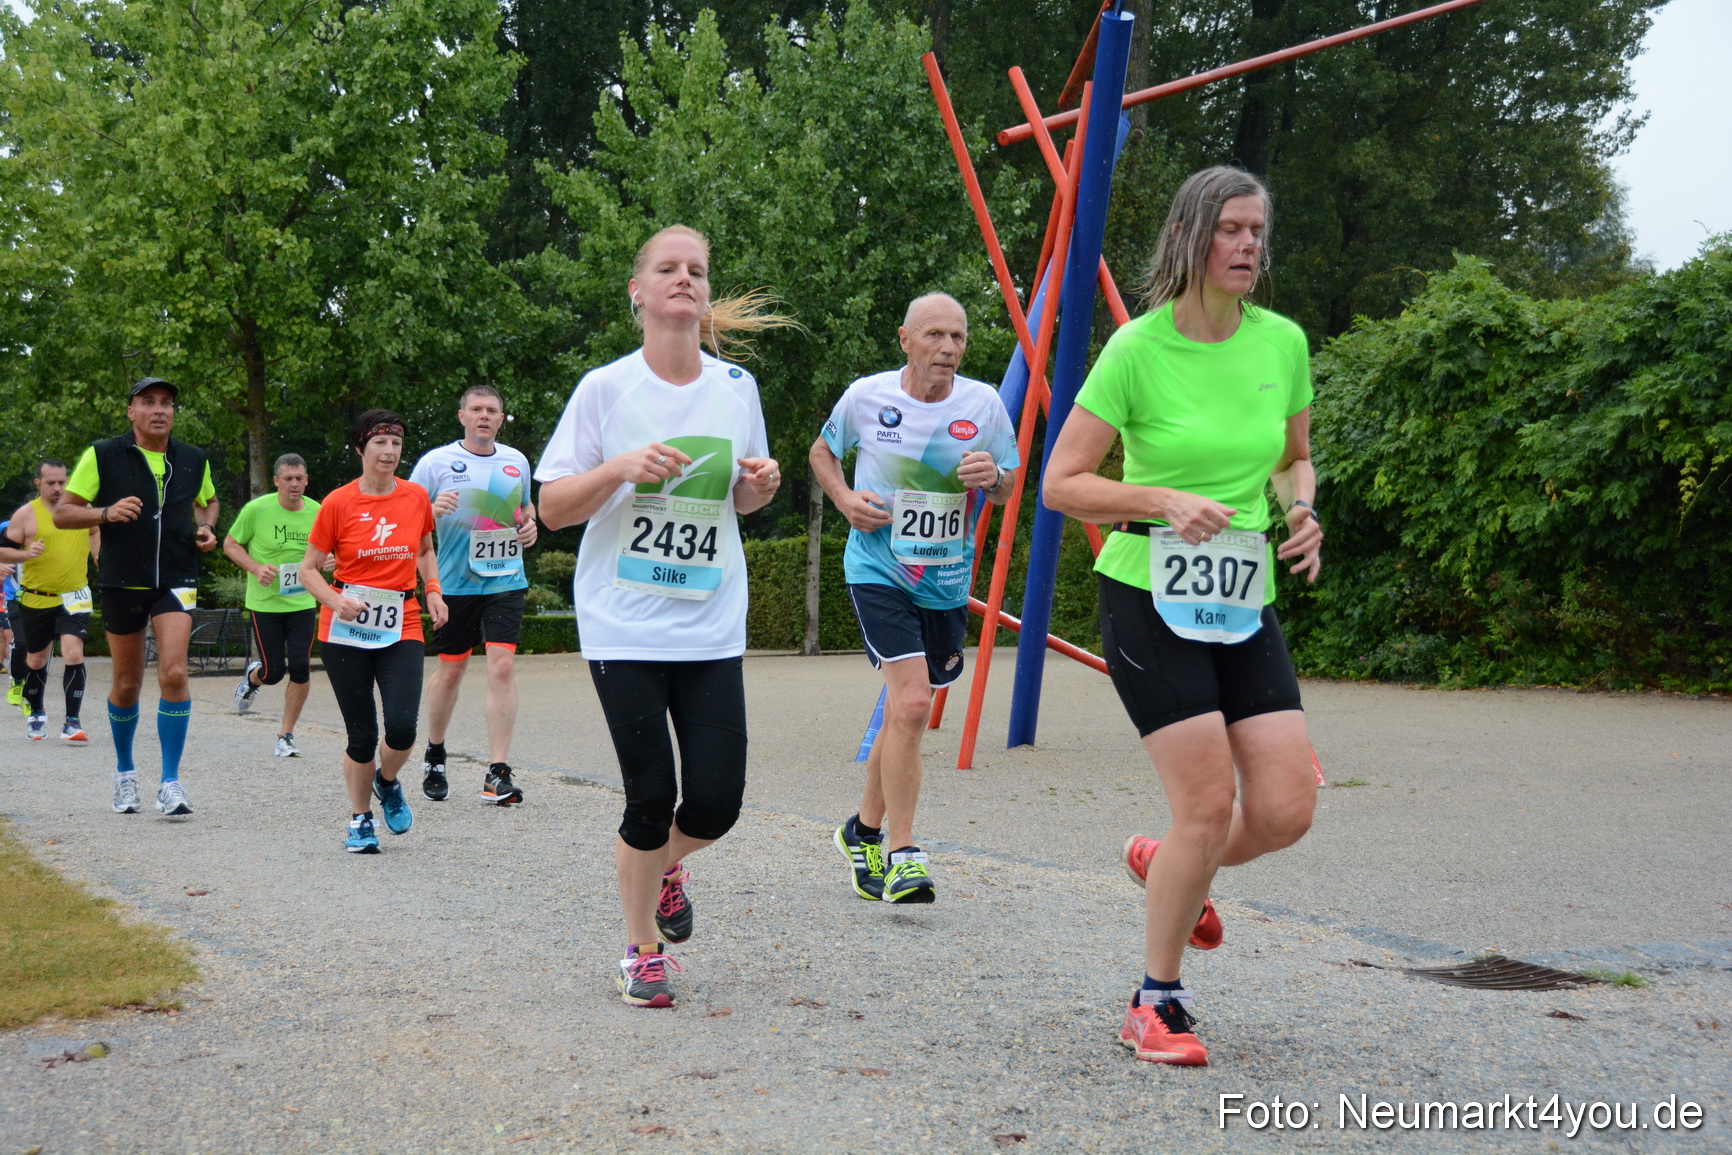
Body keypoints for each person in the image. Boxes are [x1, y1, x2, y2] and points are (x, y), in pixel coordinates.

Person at [1043, 167, 1324, 1067]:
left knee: (1285, 808)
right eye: (1232, 230)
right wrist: (1162, 497)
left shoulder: (1281, 342)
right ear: (1191, 237)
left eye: (1257, 232)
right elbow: (1061, 482)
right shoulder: (1138, 349)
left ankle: (1172, 860)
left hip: (1243, 596)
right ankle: (1154, 1001)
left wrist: (1302, 509)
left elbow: (1291, 458)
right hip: (1147, 590)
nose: (1249, 246)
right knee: (1207, 801)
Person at [535, 224, 787, 1008]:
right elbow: (549, 508)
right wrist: (619, 467)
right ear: (638, 293)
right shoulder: (605, 390)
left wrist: (761, 484)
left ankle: (664, 862)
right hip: (624, 621)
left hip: (709, 621)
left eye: (698, 271)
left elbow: (737, 499)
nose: (686, 279)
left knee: (715, 801)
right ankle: (641, 949)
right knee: (649, 794)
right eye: (669, 269)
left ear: (707, 295)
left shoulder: (736, 388)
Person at [811, 293, 1019, 904]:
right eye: (935, 336)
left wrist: (994, 480)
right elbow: (822, 451)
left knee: (903, 711)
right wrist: (847, 500)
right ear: (905, 339)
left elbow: (1009, 482)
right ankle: (903, 853)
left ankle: (862, 831)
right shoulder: (868, 397)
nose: (948, 349)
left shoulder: (983, 404)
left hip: (945, 582)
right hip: (878, 570)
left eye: (957, 337)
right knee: (911, 705)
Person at [57, 377, 219, 817]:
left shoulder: (193, 458)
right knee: (127, 684)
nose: (159, 410)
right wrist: (105, 513)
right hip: (122, 580)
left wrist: (206, 528)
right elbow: (63, 512)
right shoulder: (104, 454)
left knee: (174, 673)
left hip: (176, 576)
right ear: (131, 411)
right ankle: (125, 774)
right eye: (148, 402)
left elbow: (208, 502)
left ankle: (170, 781)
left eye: (166, 402)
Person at [298, 409, 444, 854]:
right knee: (361, 734)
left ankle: (387, 780)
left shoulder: (416, 497)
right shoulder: (337, 503)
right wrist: (336, 599)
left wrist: (433, 589)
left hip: (402, 619)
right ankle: (360, 819)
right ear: (361, 448)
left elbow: (424, 548)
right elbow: (308, 571)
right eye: (380, 443)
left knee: (401, 728)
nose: (389, 451)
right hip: (345, 627)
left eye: (396, 444)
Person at [409, 385, 538, 805]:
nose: (484, 416)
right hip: (454, 584)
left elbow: (526, 509)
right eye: (476, 409)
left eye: (492, 410)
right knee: (452, 671)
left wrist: (530, 525)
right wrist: (429, 510)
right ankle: (435, 752)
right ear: (461, 415)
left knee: (501, 667)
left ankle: (497, 773)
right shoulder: (436, 462)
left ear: (501, 419)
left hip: (505, 580)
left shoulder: (516, 460)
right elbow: (404, 515)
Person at [224, 453, 327, 757]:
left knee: (300, 666)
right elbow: (230, 544)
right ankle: (253, 678)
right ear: (276, 481)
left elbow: (330, 551)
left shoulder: (317, 512)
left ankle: (286, 735)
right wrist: (256, 568)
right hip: (265, 603)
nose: (294, 485)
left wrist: (330, 561)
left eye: (299, 479)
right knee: (273, 672)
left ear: (306, 480)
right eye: (288, 479)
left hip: (302, 601)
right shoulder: (257, 509)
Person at [0, 460, 100, 741]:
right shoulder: (25, 516)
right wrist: (26, 554)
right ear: (38, 484)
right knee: (36, 659)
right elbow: (3, 553)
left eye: (62, 482)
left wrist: (97, 557)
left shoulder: (82, 510)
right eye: (50, 483)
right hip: (36, 597)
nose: (57, 488)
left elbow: (94, 531)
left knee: (73, 653)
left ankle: (72, 722)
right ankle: (36, 713)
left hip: (75, 594)